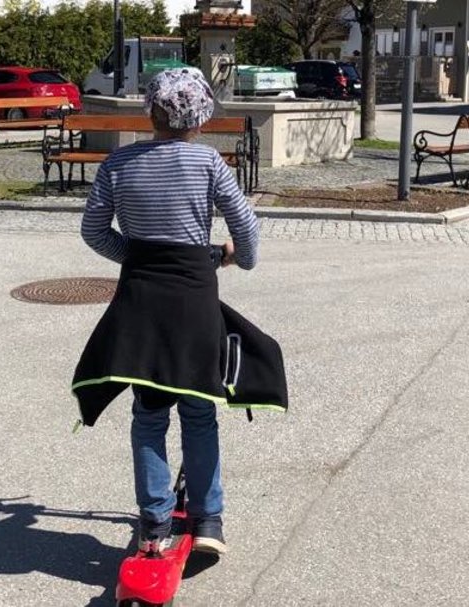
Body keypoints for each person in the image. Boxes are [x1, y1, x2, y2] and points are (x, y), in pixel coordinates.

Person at [73, 68, 286, 556]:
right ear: (202, 117)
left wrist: (137, 255)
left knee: (149, 414)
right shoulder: (208, 164)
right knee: (198, 408)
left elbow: (93, 231)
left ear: (150, 112)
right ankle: (208, 520)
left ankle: (154, 523)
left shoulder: (118, 165)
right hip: (193, 298)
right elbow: (247, 230)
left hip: (141, 299)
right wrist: (236, 256)